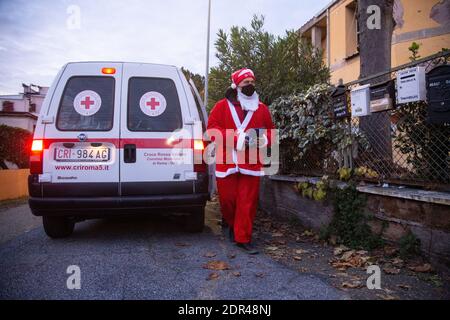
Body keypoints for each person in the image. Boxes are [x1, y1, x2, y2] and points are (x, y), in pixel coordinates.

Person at [207, 68, 275, 254]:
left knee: (247, 201)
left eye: (252, 82)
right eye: (246, 83)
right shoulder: (221, 106)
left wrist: (259, 138)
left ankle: (243, 238)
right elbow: (212, 129)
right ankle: (230, 223)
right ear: (236, 86)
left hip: (251, 161)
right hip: (227, 160)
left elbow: (271, 131)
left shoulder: (261, 108)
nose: (250, 86)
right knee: (228, 200)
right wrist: (236, 139)